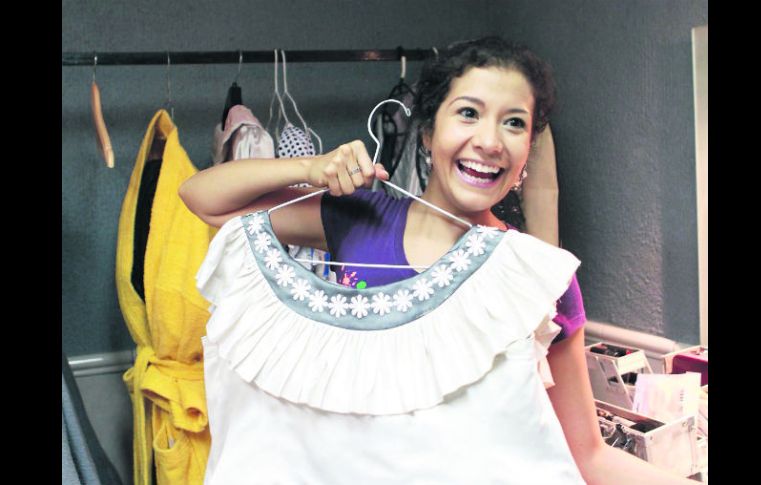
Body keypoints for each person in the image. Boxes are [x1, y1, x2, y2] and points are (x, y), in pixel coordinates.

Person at [180, 36, 699, 485]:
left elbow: (588, 456)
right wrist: (312, 168)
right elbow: (204, 199)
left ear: (527, 151)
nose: (489, 141)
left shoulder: (536, 277)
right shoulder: (359, 216)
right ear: (428, 132)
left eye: (514, 123)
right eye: (468, 113)